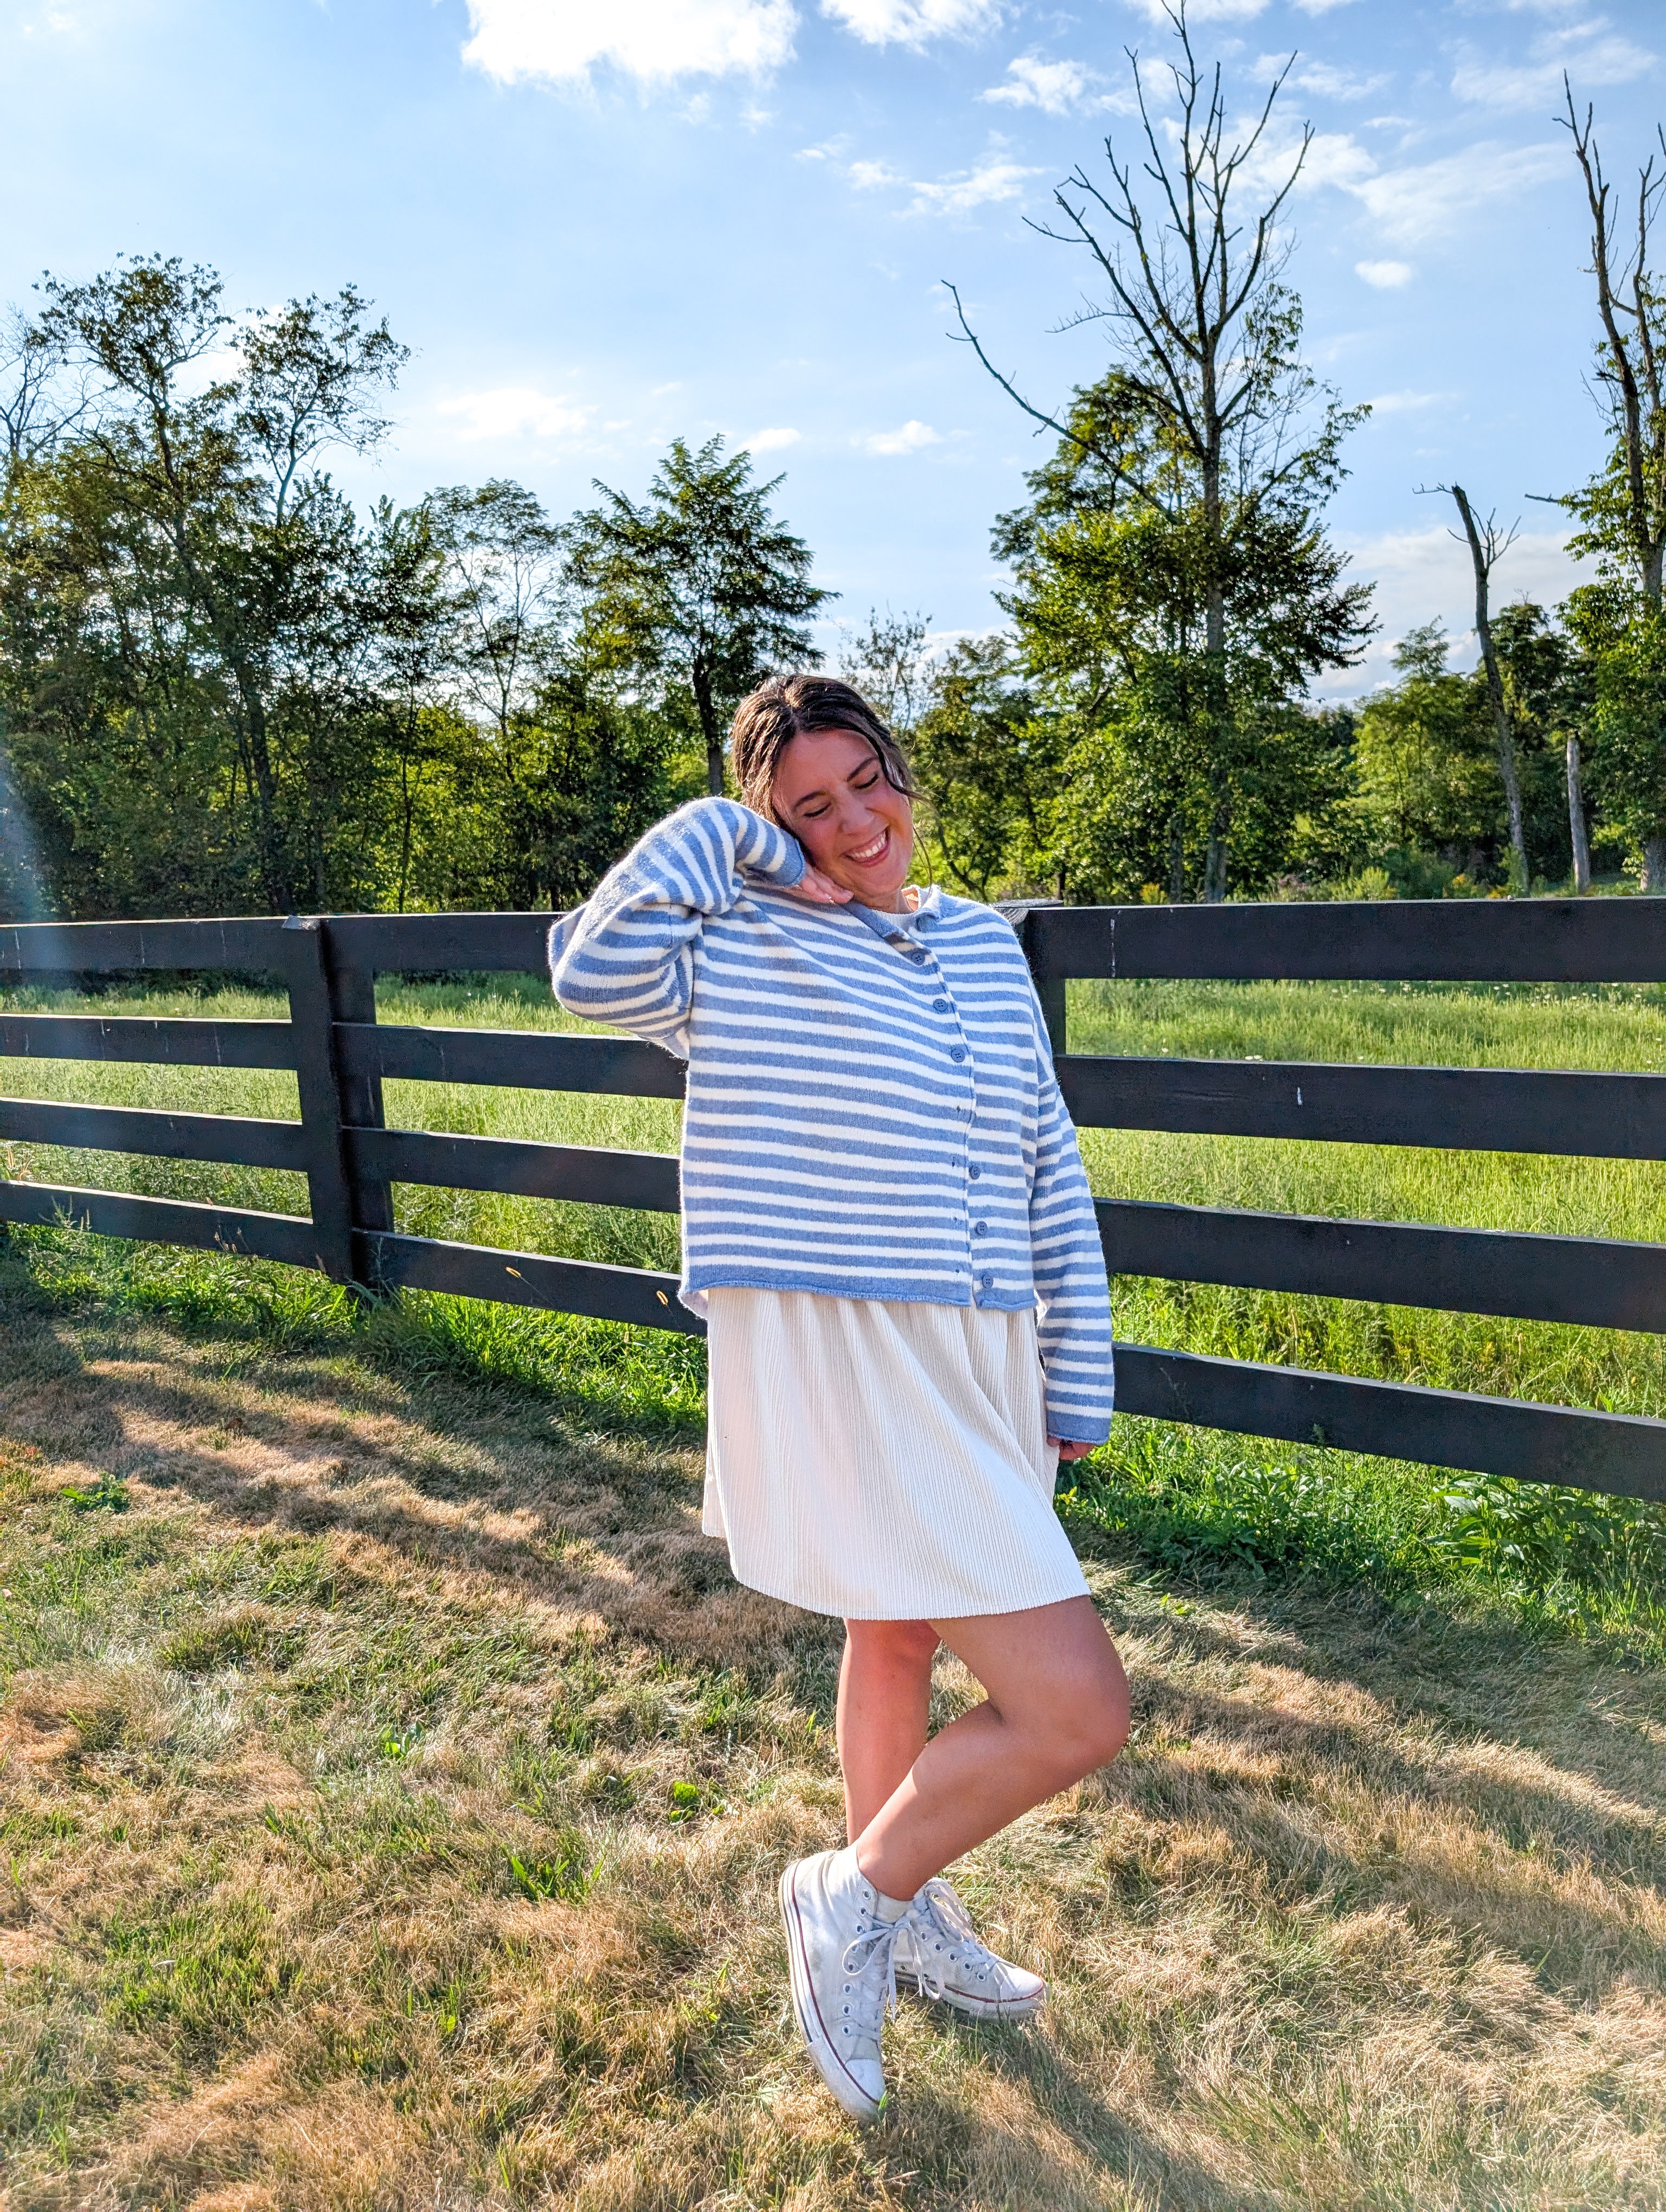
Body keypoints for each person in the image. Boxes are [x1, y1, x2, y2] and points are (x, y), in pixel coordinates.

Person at [549, 674, 1129, 2122]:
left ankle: (906, 1900)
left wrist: (1074, 1363)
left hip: (989, 1348)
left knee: (898, 1626)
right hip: (854, 1344)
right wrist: (734, 839)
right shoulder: (739, 941)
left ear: (901, 769)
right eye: (813, 806)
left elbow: (1047, 1159)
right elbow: (588, 972)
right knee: (1076, 1711)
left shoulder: (986, 945)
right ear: (770, 828)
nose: (860, 822)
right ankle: (852, 1893)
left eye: (869, 780)